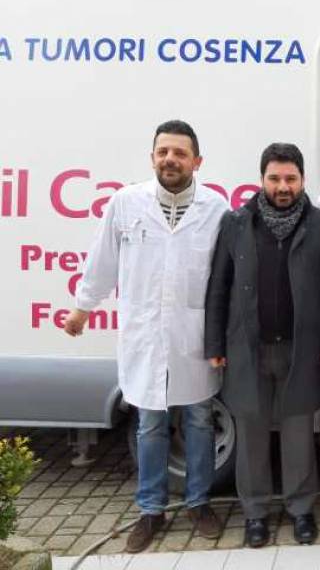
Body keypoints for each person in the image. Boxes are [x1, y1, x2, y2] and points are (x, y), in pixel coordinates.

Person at [63, 120, 227, 553]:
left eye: (179, 152)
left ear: (197, 161)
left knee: (197, 421)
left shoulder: (215, 208)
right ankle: (150, 510)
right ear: (152, 157)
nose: (170, 159)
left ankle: (199, 503)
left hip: (193, 338)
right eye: (163, 152)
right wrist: (83, 309)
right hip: (145, 335)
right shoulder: (125, 203)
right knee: (150, 424)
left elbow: (224, 279)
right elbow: (102, 262)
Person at [204, 143, 320, 548]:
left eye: (291, 178)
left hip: (301, 349)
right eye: (275, 178)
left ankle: (300, 510)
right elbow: (219, 288)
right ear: (261, 179)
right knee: (252, 432)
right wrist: (214, 342)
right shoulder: (235, 223)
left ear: (302, 180)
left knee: (299, 433)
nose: (283, 186)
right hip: (247, 349)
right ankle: (256, 513)